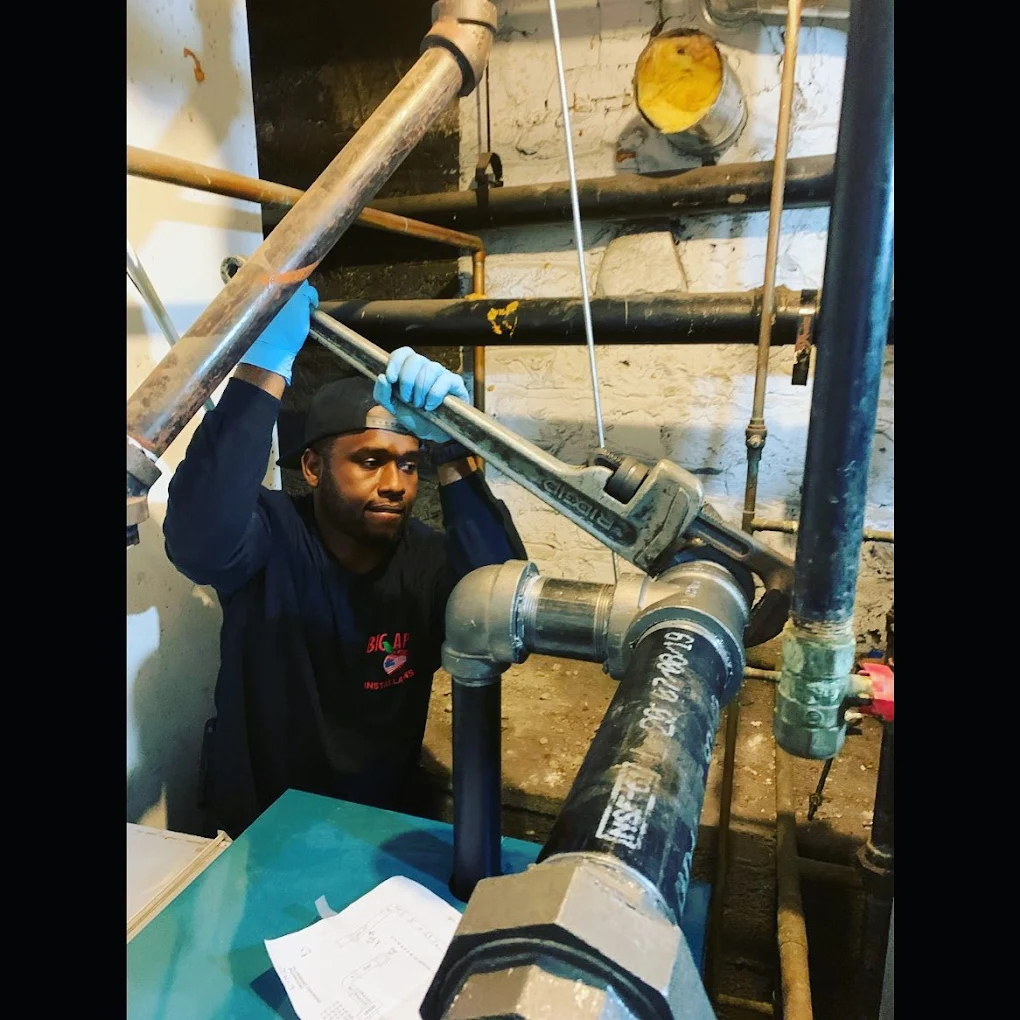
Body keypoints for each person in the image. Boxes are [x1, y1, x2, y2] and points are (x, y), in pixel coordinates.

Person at [163, 281, 526, 838]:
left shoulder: (427, 560)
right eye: (371, 461)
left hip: (377, 827)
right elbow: (200, 540)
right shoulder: (271, 537)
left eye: (410, 465)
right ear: (312, 468)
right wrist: (264, 367)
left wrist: (455, 448)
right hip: (258, 827)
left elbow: (502, 613)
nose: (395, 484)